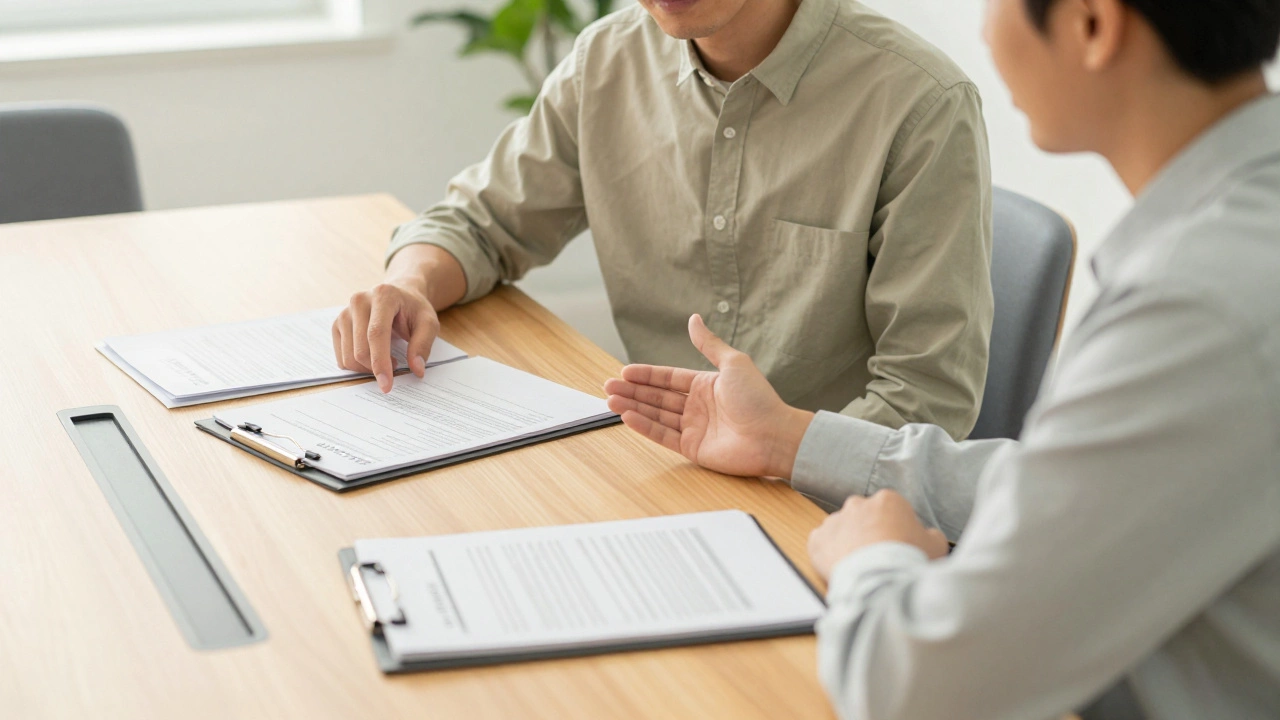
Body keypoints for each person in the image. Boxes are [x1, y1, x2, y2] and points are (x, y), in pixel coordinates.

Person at [603, 0, 1280, 717]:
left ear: (1092, 25)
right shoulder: (1233, 244)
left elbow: (912, 690)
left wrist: (873, 559)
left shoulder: (1192, 312)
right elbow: (1087, 480)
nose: (985, 31)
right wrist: (791, 439)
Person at [331, 0, 995, 440]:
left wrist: (783, 453)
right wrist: (411, 286)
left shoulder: (919, 103)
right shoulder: (607, 61)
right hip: (656, 463)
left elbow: (925, 400)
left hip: (825, 501)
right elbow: (480, 222)